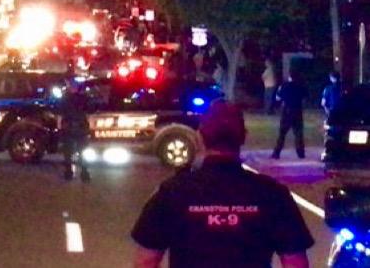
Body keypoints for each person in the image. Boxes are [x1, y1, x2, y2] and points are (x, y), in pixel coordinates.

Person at [131, 103, 314, 267]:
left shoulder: (172, 192)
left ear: (200, 137)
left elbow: (146, 262)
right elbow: (295, 263)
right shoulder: (272, 194)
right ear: (243, 137)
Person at [272, 70, 308, 160]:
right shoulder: (301, 86)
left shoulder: (284, 86)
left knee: (282, 133)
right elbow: (305, 99)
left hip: (287, 111)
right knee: (298, 134)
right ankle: (301, 153)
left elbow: (278, 97)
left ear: (289, 77)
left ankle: (276, 153)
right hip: (297, 111)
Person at [60, 79, 90, 181]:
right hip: (81, 127)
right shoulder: (83, 98)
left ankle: (69, 172)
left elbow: (61, 110)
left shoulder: (66, 98)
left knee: (68, 151)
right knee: (82, 151)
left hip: (69, 127)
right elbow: (89, 109)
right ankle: (84, 172)